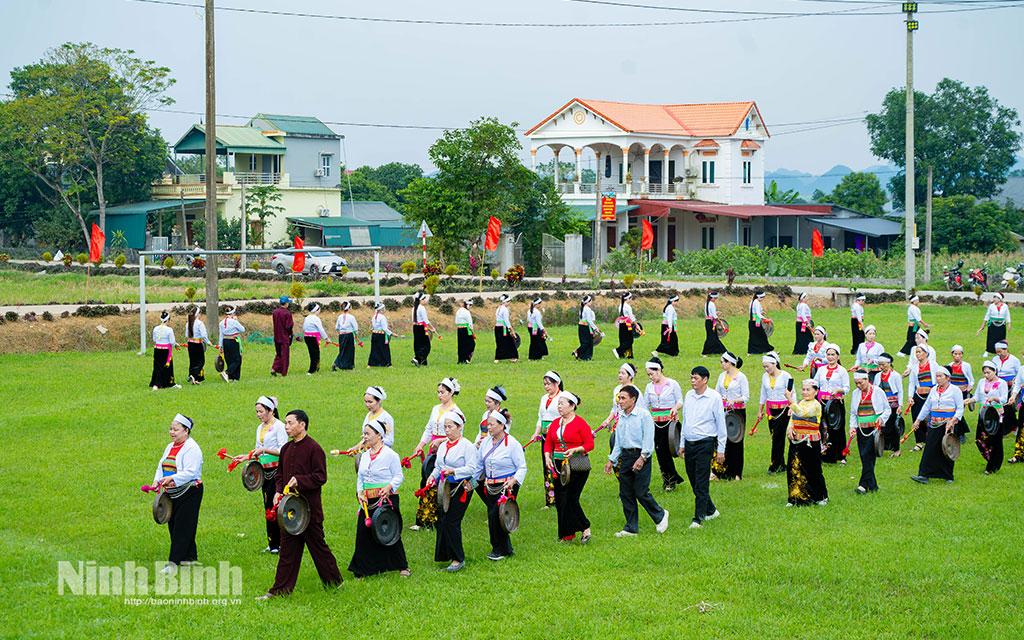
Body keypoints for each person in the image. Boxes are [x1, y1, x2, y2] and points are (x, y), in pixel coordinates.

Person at [258, 409, 342, 599]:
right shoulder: (286, 449)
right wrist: (278, 491)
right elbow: (280, 475)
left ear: (302, 424)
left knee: (318, 547)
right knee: (287, 551)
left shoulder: (314, 448)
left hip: (309, 510)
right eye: (285, 423)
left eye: (290, 423)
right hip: (289, 510)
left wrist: (300, 480)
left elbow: (321, 477)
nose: (286, 427)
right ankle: (279, 590)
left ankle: (335, 583)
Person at [348, 419, 410, 578]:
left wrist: (389, 487)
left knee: (388, 531)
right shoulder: (365, 456)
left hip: (386, 499)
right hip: (367, 500)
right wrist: (360, 492)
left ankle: (401, 565)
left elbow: (398, 476)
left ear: (379, 435)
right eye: (364, 434)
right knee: (363, 532)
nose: (365, 437)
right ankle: (362, 569)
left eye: (368, 434)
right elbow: (360, 478)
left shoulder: (391, 455)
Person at [605, 385, 669, 537]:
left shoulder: (643, 415)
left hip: (641, 456)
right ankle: (631, 528)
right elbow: (619, 441)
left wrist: (642, 457)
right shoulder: (620, 417)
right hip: (626, 457)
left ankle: (660, 515)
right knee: (625, 493)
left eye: (623, 398)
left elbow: (648, 438)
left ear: (633, 400)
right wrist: (611, 460)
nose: (619, 401)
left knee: (640, 491)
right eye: (619, 398)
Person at [425, 411, 480, 572]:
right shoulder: (443, 446)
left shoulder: (467, 446)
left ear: (459, 427)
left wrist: (454, 471)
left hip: (462, 487)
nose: (447, 430)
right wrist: (432, 477)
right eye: (445, 427)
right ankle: (446, 554)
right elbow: (438, 466)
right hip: (445, 487)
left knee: (452, 521)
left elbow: (472, 468)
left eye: (450, 427)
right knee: (442, 520)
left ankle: (458, 559)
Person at [676, 366, 727, 529]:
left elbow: (721, 424)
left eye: (696, 378)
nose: (692, 381)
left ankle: (698, 518)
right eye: (691, 378)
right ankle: (711, 510)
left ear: (705, 380)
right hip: (690, 442)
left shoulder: (714, 397)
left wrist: (721, 449)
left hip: (705, 442)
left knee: (701, 481)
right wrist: (682, 444)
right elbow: (686, 421)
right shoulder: (689, 396)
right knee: (692, 478)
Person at [152, 413, 202, 571]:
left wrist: (172, 478)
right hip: (172, 492)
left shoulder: (192, 448)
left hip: (190, 491)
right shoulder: (170, 446)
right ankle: (190, 557)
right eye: (171, 429)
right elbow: (162, 464)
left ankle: (173, 563)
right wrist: (157, 480)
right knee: (174, 525)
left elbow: (191, 472)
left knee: (182, 526)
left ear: (186, 431)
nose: (172, 432)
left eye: (176, 429)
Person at [410, 378, 462, 530]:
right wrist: (421, 444)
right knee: (427, 479)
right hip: (433, 449)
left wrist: (442, 441)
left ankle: (439, 517)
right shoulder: (435, 409)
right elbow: (429, 428)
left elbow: (459, 434)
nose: (440, 395)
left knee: (441, 482)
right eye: (438, 392)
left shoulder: (456, 412)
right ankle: (423, 518)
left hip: (447, 449)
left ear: (451, 393)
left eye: (443, 392)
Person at [544, 391, 595, 543]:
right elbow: (548, 442)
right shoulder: (555, 423)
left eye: (562, 403)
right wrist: (547, 456)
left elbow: (589, 444)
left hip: (576, 465)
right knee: (560, 499)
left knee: (571, 498)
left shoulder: (580, 423)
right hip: (559, 466)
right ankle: (566, 534)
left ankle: (585, 527)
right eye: (558, 403)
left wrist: (575, 449)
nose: (559, 406)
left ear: (572, 406)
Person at [238, 396, 287, 553]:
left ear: (270, 411)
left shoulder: (280, 426)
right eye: (257, 412)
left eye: (261, 411)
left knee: (278, 506)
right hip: (263, 472)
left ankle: (282, 543)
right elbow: (257, 449)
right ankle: (272, 543)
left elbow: (283, 450)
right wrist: (245, 456)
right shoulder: (260, 428)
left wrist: (265, 450)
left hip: (277, 472)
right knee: (268, 506)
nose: (258, 415)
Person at [478, 409, 526, 560]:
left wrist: (514, 480)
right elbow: (479, 465)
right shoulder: (485, 443)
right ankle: (505, 549)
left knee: (495, 516)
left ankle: (498, 550)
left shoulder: (512, 444)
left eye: (492, 424)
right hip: (490, 486)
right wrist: (471, 481)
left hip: (507, 485)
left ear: (502, 425)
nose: (489, 428)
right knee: (495, 515)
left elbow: (522, 467)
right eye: (487, 424)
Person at [910, 368, 964, 484]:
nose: (938, 378)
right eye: (937, 376)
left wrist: (953, 420)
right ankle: (924, 475)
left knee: (947, 449)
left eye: (940, 376)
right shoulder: (934, 389)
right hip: (934, 423)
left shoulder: (955, 390)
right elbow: (927, 406)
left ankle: (948, 476)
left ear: (947, 377)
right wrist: (918, 420)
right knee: (929, 448)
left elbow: (960, 408)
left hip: (948, 424)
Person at [644, 357, 686, 491]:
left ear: (659, 370)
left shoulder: (672, 384)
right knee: (659, 451)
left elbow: (680, 400)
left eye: (652, 373)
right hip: (655, 423)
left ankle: (671, 479)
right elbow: (645, 405)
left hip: (670, 423)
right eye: (648, 375)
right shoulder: (649, 387)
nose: (650, 377)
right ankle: (669, 479)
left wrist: (675, 408)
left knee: (668, 451)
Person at [784, 380, 828, 506]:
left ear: (816, 391)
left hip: (810, 442)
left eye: (808, 389)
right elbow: (793, 418)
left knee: (813, 469)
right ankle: (795, 497)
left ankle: (820, 496)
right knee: (794, 468)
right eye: (803, 389)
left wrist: (790, 400)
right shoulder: (800, 402)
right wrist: (790, 429)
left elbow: (802, 413)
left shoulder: (816, 405)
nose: (805, 392)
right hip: (797, 440)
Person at [848, 372, 891, 494]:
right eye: (856, 383)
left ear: (867, 379)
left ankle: (862, 485)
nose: (858, 385)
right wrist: (852, 426)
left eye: (860, 382)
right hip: (861, 429)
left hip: (874, 429)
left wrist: (881, 419)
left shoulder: (878, 391)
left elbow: (887, 409)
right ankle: (872, 486)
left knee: (867, 454)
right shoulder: (855, 393)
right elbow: (853, 412)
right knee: (864, 456)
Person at [714, 352, 749, 480]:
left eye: (723, 362)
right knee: (724, 440)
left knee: (736, 441)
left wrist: (734, 400)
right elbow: (716, 392)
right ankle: (723, 471)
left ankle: (736, 473)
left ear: (730, 363)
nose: (721, 364)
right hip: (723, 411)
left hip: (737, 412)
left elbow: (746, 397)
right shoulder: (721, 376)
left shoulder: (741, 377)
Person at [531, 371, 563, 507]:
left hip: (558, 437)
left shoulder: (563, 397)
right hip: (545, 437)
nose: (546, 387)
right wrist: (536, 433)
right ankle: (550, 500)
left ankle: (562, 496)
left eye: (549, 384)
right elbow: (540, 417)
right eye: (545, 384)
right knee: (547, 466)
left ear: (557, 383)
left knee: (559, 465)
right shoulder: (544, 398)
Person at [968, 361, 1007, 474]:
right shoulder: (981, 382)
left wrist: (995, 398)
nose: (986, 375)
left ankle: (991, 467)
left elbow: (1004, 398)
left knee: (995, 440)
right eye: (984, 373)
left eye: (988, 372)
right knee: (980, 439)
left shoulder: (1002, 383)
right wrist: (969, 400)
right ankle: (991, 459)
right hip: (983, 414)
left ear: (994, 371)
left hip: (996, 414)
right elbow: (977, 396)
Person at [814, 343, 850, 464]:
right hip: (822, 402)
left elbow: (847, 387)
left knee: (837, 428)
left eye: (833, 355)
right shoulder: (821, 370)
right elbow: (815, 384)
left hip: (836, 404)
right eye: (828, 354)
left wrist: (839, 390)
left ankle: (840, 455)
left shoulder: (842, 371)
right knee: (823, 428)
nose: (830, 357)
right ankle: (826, 455)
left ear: (838, 356)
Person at [333, 386, 396, 454]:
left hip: (381, 455)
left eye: (370, 402)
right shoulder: (368, 415)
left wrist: (371, 442)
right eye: (365, 402)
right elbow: (365, 438)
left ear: (379, 401)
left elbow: (389, 441)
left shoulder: (386, 418)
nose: (367, 405)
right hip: (368, 454)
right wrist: (355, 448)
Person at [759, 352, 793, 474]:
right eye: (764, 367)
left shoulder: (786, 376)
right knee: (774, 436)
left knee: (778, 437)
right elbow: (763, 393)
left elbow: (791, 393)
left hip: (784, 410)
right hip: (771, 410)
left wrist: (792, 407)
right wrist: (760, 410)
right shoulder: (764, 377)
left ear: (775, 364)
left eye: (767, 366)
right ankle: (780, 463)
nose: (766, 369)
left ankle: (775, 465)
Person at [598, 363, 644, 451]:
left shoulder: (635, 391)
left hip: (631, 426)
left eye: (623, 373)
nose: (620, 375)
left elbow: (641, 410)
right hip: (618, 424)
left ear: (630, 376)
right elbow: (615, 408)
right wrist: (608, 420)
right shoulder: (617, 389)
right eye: (619, 373)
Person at [905, 344, 939, 452]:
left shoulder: (934, 365)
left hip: (931, 394)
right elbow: (911, 383)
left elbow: (939, 380)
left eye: (919, 352)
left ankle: (931, 439)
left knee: (931, 417)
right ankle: (919, 442)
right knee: (916, 416)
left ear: (926, 353)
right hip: (918, 395)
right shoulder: (914, 367)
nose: (917, 354)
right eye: (916, 352)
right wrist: (910, 397)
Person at [874, 354, 905, 457]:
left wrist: (900, 405)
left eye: (883, 364)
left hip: (893, 405)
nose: (881, 367)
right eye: (880, 365)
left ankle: (896, 449)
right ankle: (884, 446)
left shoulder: (895, 375)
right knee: (882, 426)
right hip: (881, 405)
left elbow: (900, 391)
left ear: (889, 363)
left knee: (892, 427)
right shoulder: (877, 376)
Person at [947, 345, 975, 442]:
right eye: (955, 354)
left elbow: (971, 380)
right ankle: (960, 433)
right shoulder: (949, 366)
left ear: (962, 355)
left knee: (959, 412)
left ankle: (960, 434)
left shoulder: (966, 366)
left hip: (963, 393)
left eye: (959, 354)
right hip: (953, 393)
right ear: (952, 354)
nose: (957, 356)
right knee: (955, 412)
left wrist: (969, 388)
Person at [994, 341, 1020, 441]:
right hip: (999, 386)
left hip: (1010, 386)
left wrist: (1013, 382)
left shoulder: (1014, 360)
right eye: (997, 352)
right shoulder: (995, 359)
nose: (999, 354)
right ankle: (1008, 426)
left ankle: (1009, 428)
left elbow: (1019, 374)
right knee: (999, 407)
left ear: (1005, 350)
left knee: (1008, 408)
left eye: (1000, 351)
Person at [150, 311, 180, 390]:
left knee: (157, 367)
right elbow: (172, 342)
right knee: (168, 367)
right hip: (166, 351)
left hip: (157, 349)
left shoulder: (155, 328)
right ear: (168, 320)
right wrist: (176, 345)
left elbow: (154, 339)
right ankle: (170, 383)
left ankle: (156, 384)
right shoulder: (169, 330)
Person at [184, 305, 213, 384]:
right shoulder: (200, 323)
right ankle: (193, 375)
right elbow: (204, 335)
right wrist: (208, 342)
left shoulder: (188, 323)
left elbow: (186, 335)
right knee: (201, 361)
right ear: (197, 314)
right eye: (200, 313)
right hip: (197, 344)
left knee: (193, 361)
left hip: (190, 344)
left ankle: (195, 378)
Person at [977, 292, 1011, 356]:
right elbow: (987, 316)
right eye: (994, 297)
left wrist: (1009, 324)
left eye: (995, 298)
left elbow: (1007, 316)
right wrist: (982, 326)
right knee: (991, 338)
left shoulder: (1005, 306)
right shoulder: (991, 306)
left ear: (999, 299)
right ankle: (987, 351)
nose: (994, 299)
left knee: (1001, 338)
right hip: (992, 324)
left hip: (1002, 325)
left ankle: (1000, 352)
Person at [219, 306, 246, 382]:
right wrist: (237, 321)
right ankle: (228, 373)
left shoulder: (221, 323)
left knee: (229, 359)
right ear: (233, 314)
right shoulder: (234, 322)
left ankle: (231, 377)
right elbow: (242, 329)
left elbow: (221, 334)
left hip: (225, 341)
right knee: (237, 359)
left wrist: (220, 346)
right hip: (233, 341)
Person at [301, 303, 328, 375]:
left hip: (307, 337)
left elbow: (304, 328)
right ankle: (312, 370)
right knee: (315, 353)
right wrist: (326, 338)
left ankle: (316, 367)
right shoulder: (316, 319)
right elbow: (321, 330)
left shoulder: (307, 318)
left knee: (312, 352)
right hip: (314, 337)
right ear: (316, 310)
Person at [332, 301, 358, 371]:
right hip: (349, 334)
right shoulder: (351, 317)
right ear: (349, 308)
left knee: (342, 350)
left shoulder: (340, 316)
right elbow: (355, 328)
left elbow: (337, 327)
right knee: (349, 350)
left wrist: (340, 332)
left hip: (341, 335)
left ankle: (341, 364)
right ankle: (347, 365)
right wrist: (356, 335)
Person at [573, 295, 600, 361]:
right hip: (586, 327)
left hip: (581, 327)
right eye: (591, 301)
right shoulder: (587, 309)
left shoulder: (582, 308)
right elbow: (589, 320)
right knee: (587, 342)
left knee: (585, 342)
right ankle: (578, 351)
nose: (591, 302)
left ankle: (584, 357)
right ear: (588, 302)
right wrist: (595, 328)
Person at [271, 296, 294, 377]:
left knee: (278, 354)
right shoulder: (287, 313)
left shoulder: (275, 312)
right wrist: (291, 334)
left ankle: (274, 368)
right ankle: (283, 372)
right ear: (286, 303)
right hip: (284, 337)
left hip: (276, 336)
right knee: (285, 355)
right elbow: (289, 326)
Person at [411, 291, 435, 367]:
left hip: (415, 327)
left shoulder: (414, 308)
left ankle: (422, 362)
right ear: (420, 300)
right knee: (427, 345)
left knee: (418, 344)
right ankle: (417, 358)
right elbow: (426, 320)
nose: (425, 300)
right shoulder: (421, 308)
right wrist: (432, 328)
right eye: (424, 298)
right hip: (421, 328)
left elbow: (413, 320)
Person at [747, 290, 773, 355]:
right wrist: (766, 319)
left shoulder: (752, 302)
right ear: (759, 297)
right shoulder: (757, 303)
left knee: (753, 337)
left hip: (752, 321)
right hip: (756, 321)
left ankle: (752, 351)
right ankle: (767, 350)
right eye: (762, 297)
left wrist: (761, 313)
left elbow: (753, 312)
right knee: (762, 336)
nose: (763, 299)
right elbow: (758, 314)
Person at [494, 293, 518, 363]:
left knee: (499, 343)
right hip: (503, 328)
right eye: (509, 301)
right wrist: (512, 330)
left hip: (497, 327)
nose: (509, 303)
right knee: (510, 342)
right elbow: (506, 321)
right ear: (506, 302)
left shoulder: (498, 308)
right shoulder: (505, 309)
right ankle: (513, 357)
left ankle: (497, 358)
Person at [702, 291, 728, 356]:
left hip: (707, 322)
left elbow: (709, 313)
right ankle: (705, 352)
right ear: (712, 298)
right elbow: (714, 316)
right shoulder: (712, 304)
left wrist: (716, 312)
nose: (715, 300)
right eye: (715, 298)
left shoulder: (706, 303)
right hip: (711, 323)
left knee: (713, 337)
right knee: (711, 338)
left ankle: (718, 351)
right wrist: (720, 322)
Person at [367, 302, 392, 368]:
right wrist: (391, 334)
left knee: (374, 349)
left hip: (374, 334)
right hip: (381, 335)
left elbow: (372, 326)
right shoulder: (382, 317)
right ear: (382, 309)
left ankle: (372, 363)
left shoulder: (374, 316)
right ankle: (387, 363)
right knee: (384, 349)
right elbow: (384, 328)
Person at [613, 292, 637, 360]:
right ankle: (618, 350)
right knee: (630, 340)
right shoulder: (628, 306)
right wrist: (636, 325)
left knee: (623, 340)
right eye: (631, 298)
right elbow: (631, 317)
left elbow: (623, 316)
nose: (631, 300)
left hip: (622, 324)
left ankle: (628, 355)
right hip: (627, 324)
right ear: (628, 299)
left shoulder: (620, 305)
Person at [455, 300, 476, 364]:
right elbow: (470, 323)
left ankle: (461, 359)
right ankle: (467, 358)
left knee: (461, 345)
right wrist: (473, 333)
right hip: (466, 329)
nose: (470, 307)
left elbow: (456, 321)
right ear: (468, 305)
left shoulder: (458, 311)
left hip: (459, 329)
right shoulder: (467, 312)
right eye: (470, 305)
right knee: (471, 344)